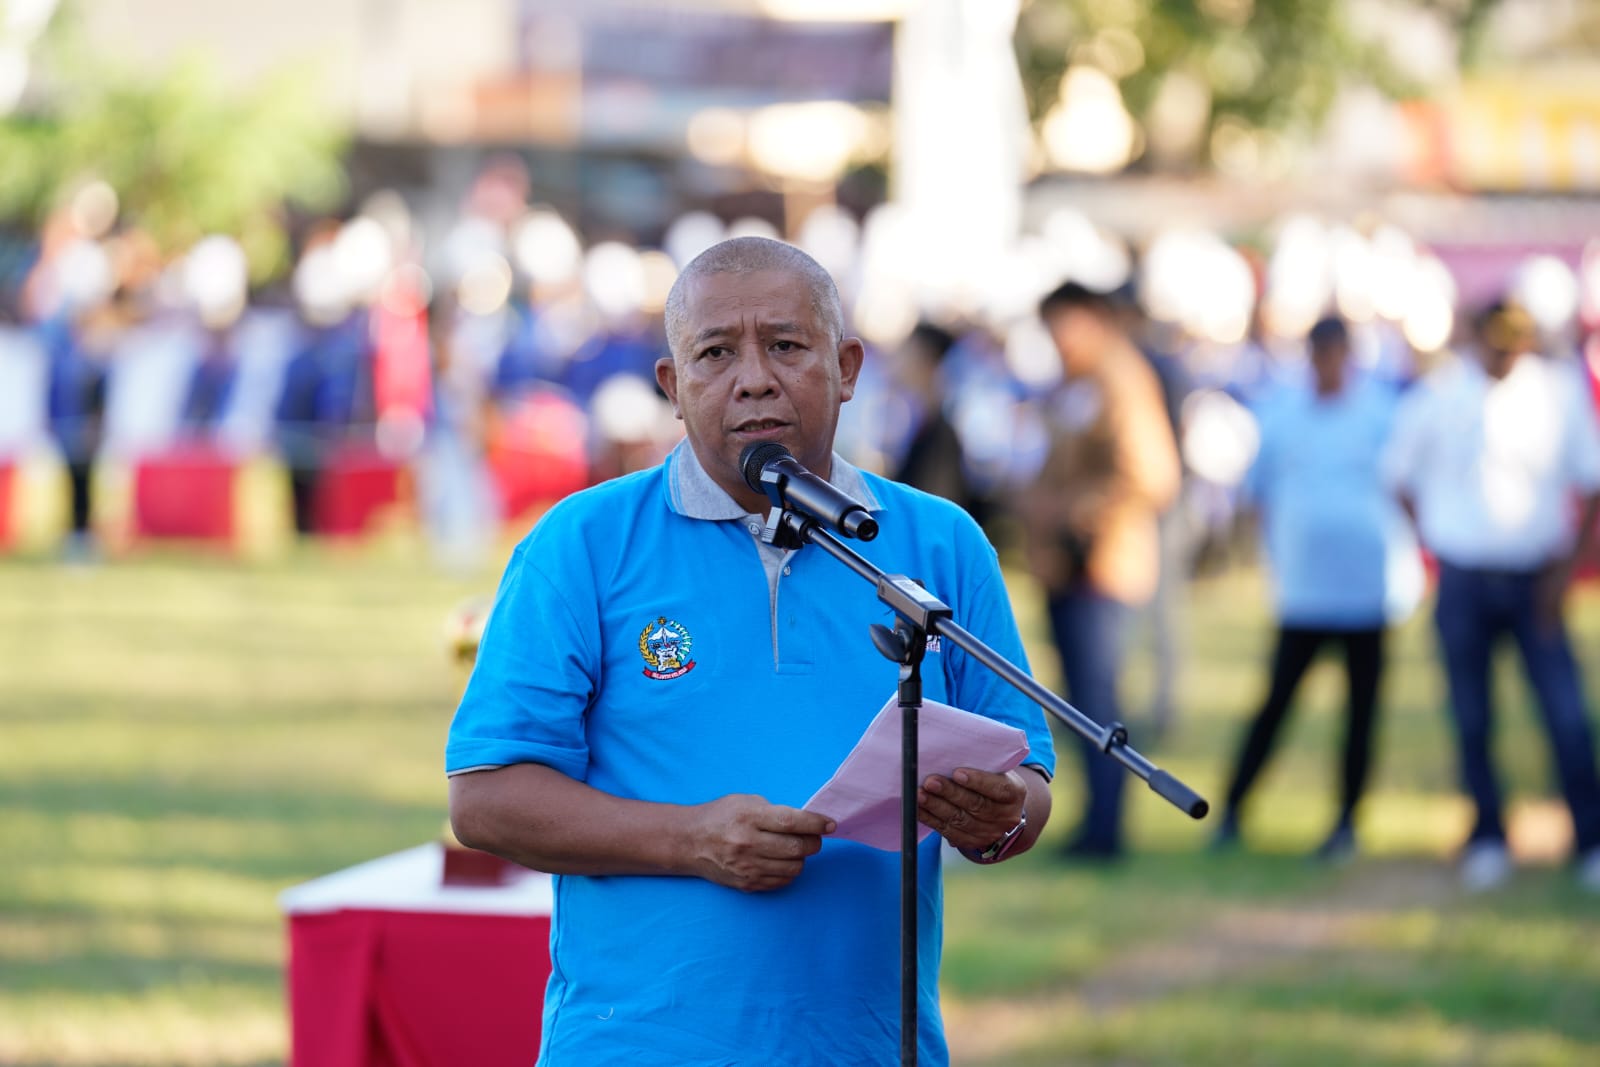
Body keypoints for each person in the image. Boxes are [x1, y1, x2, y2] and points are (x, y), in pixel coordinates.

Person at [446, 236, 1057, 1065]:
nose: (754, 378)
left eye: (786, 345)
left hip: (866, 1047)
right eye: (715, 353)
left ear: (846, 367)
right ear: (673, 386)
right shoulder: (581, 543)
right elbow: (485, 799)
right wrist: (690, 838)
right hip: (635, 1044)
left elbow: (1029, 782)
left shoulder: (939, 542)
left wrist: (1001, 815)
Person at [1383, 300, 1600, 892]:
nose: (1505, 355)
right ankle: (1487, 834)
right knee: (1472, 714)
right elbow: (1398, 475)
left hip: (1535, 575)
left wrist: (1565, 573)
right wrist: (1434, 546)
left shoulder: (1557, 392)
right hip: (1466, 576)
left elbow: (1591, 483)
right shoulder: (1440, 394)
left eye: (1515, 344)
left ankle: (1590, 836)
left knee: (1565, 714)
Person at [1211, 317, 1400, 861]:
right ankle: (1233, 808)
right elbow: (1256, 489)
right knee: (1276, 702)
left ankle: (1347, 819)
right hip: (1304, 589)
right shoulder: (1284, 410)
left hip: (1365, 588)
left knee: (1361, 711)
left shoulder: (1380, 412)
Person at [1018, 281, 1180, 860]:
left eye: (1062, 325)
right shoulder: (1075, 382)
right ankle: (1096, 820)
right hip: (1068, 566)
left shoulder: (1120, 380)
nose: (1056, 340)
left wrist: (1071, 511)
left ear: (1090, 318)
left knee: (1099, 700)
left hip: (1103, 566)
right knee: (1081, 702)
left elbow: (1152, 475)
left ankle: (1108, 827)